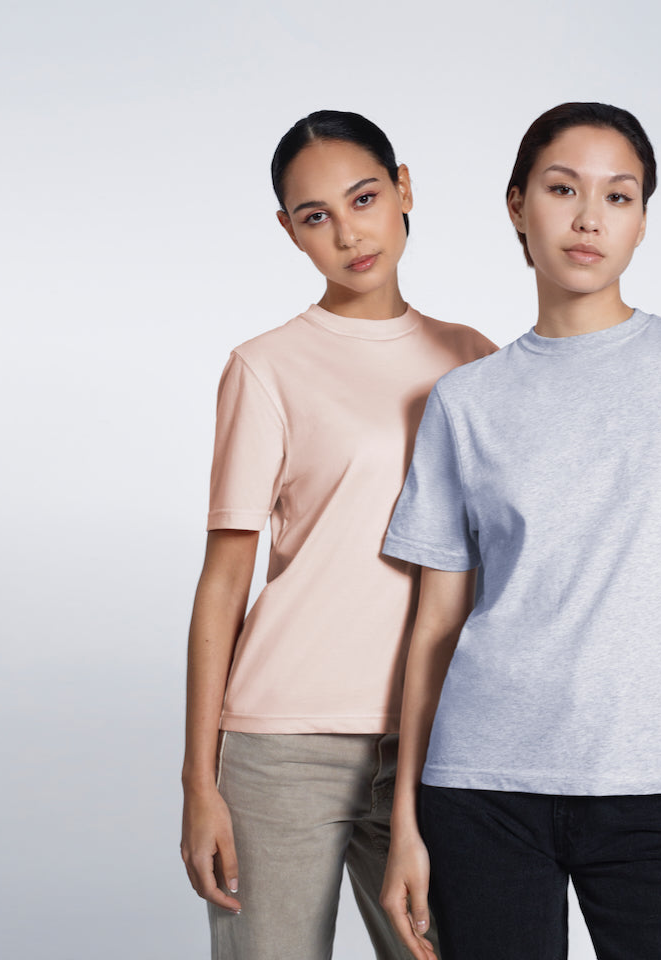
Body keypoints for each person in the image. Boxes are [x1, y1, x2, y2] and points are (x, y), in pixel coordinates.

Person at [377, 101, 661, 960]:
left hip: (656, 787)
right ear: (516, 205)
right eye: (563, 188)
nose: (588, 218)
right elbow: (434, 627)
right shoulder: (466, 400)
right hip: (481, 784)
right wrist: (406, 825)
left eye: (620, 196)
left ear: (643, 220)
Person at [179, 109, 495, 960]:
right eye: (316, 216)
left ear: (404, 190)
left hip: (437, 741)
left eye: (364, 197)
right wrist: (198, 781)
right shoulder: (267, 366)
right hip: (283, 742)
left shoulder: (476, 359)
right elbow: (223, 583)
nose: (350, 232)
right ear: (290, 232)